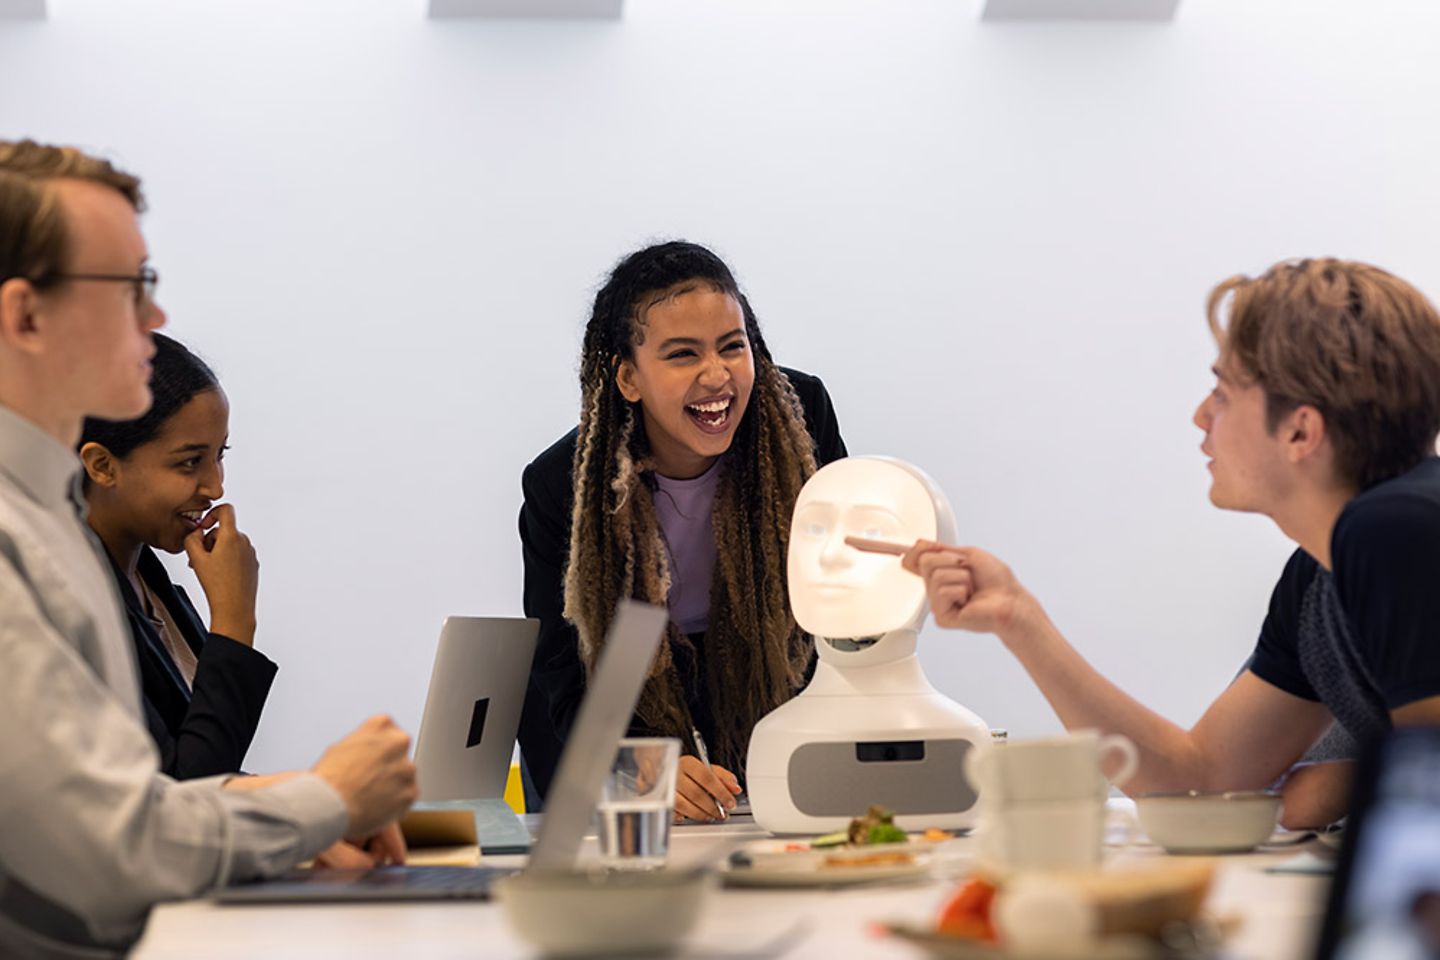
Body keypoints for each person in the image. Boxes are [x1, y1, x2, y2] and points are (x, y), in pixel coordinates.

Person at [0, 138, 417, 957]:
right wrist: (325, 799)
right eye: (129, 289)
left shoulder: (45, 520)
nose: (154, 320)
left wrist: (285, 819)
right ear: (24, 316)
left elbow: (139, 806)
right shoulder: (20, 543)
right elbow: (115, 851)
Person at [903, 258, 1440, 828]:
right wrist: (1019, 620)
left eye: (1223, 392)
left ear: (1300, 431)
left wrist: (1334, 788)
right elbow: (1200, 779)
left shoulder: (1392, 529)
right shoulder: (1319, 578)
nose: (1200, 416)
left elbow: (1425, 780)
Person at [520, 240, 846, 821]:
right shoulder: (560, 485)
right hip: (628, 680)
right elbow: (562, 677)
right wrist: (628, 766)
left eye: (732, 346)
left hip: (766, 658)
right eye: (681, 355)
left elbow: (843, 602)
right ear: (628, 377)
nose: (716, 375)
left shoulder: (802, 419)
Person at [79, 333, 271, 780]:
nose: (215, 487)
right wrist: (234, 621)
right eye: (189, 462)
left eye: (219, 456)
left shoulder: (150, 582)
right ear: (102, 465)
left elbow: (212, 777)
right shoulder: (72, 606)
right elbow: (185, 792)